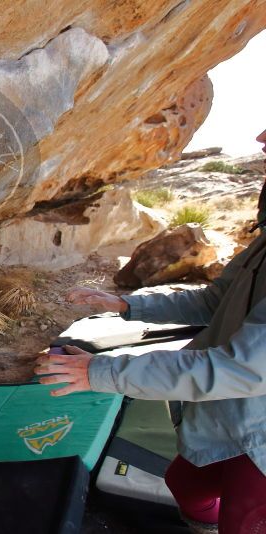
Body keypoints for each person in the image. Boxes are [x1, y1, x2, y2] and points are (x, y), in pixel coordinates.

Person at [34, 127, 266, 534]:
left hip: (257, 436)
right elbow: (214, 302)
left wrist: (100, 372)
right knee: (185, 482)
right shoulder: (262, 247)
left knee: (245, 522)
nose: (261, 143)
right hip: (230, 413)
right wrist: (128, 304)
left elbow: (239, 369)